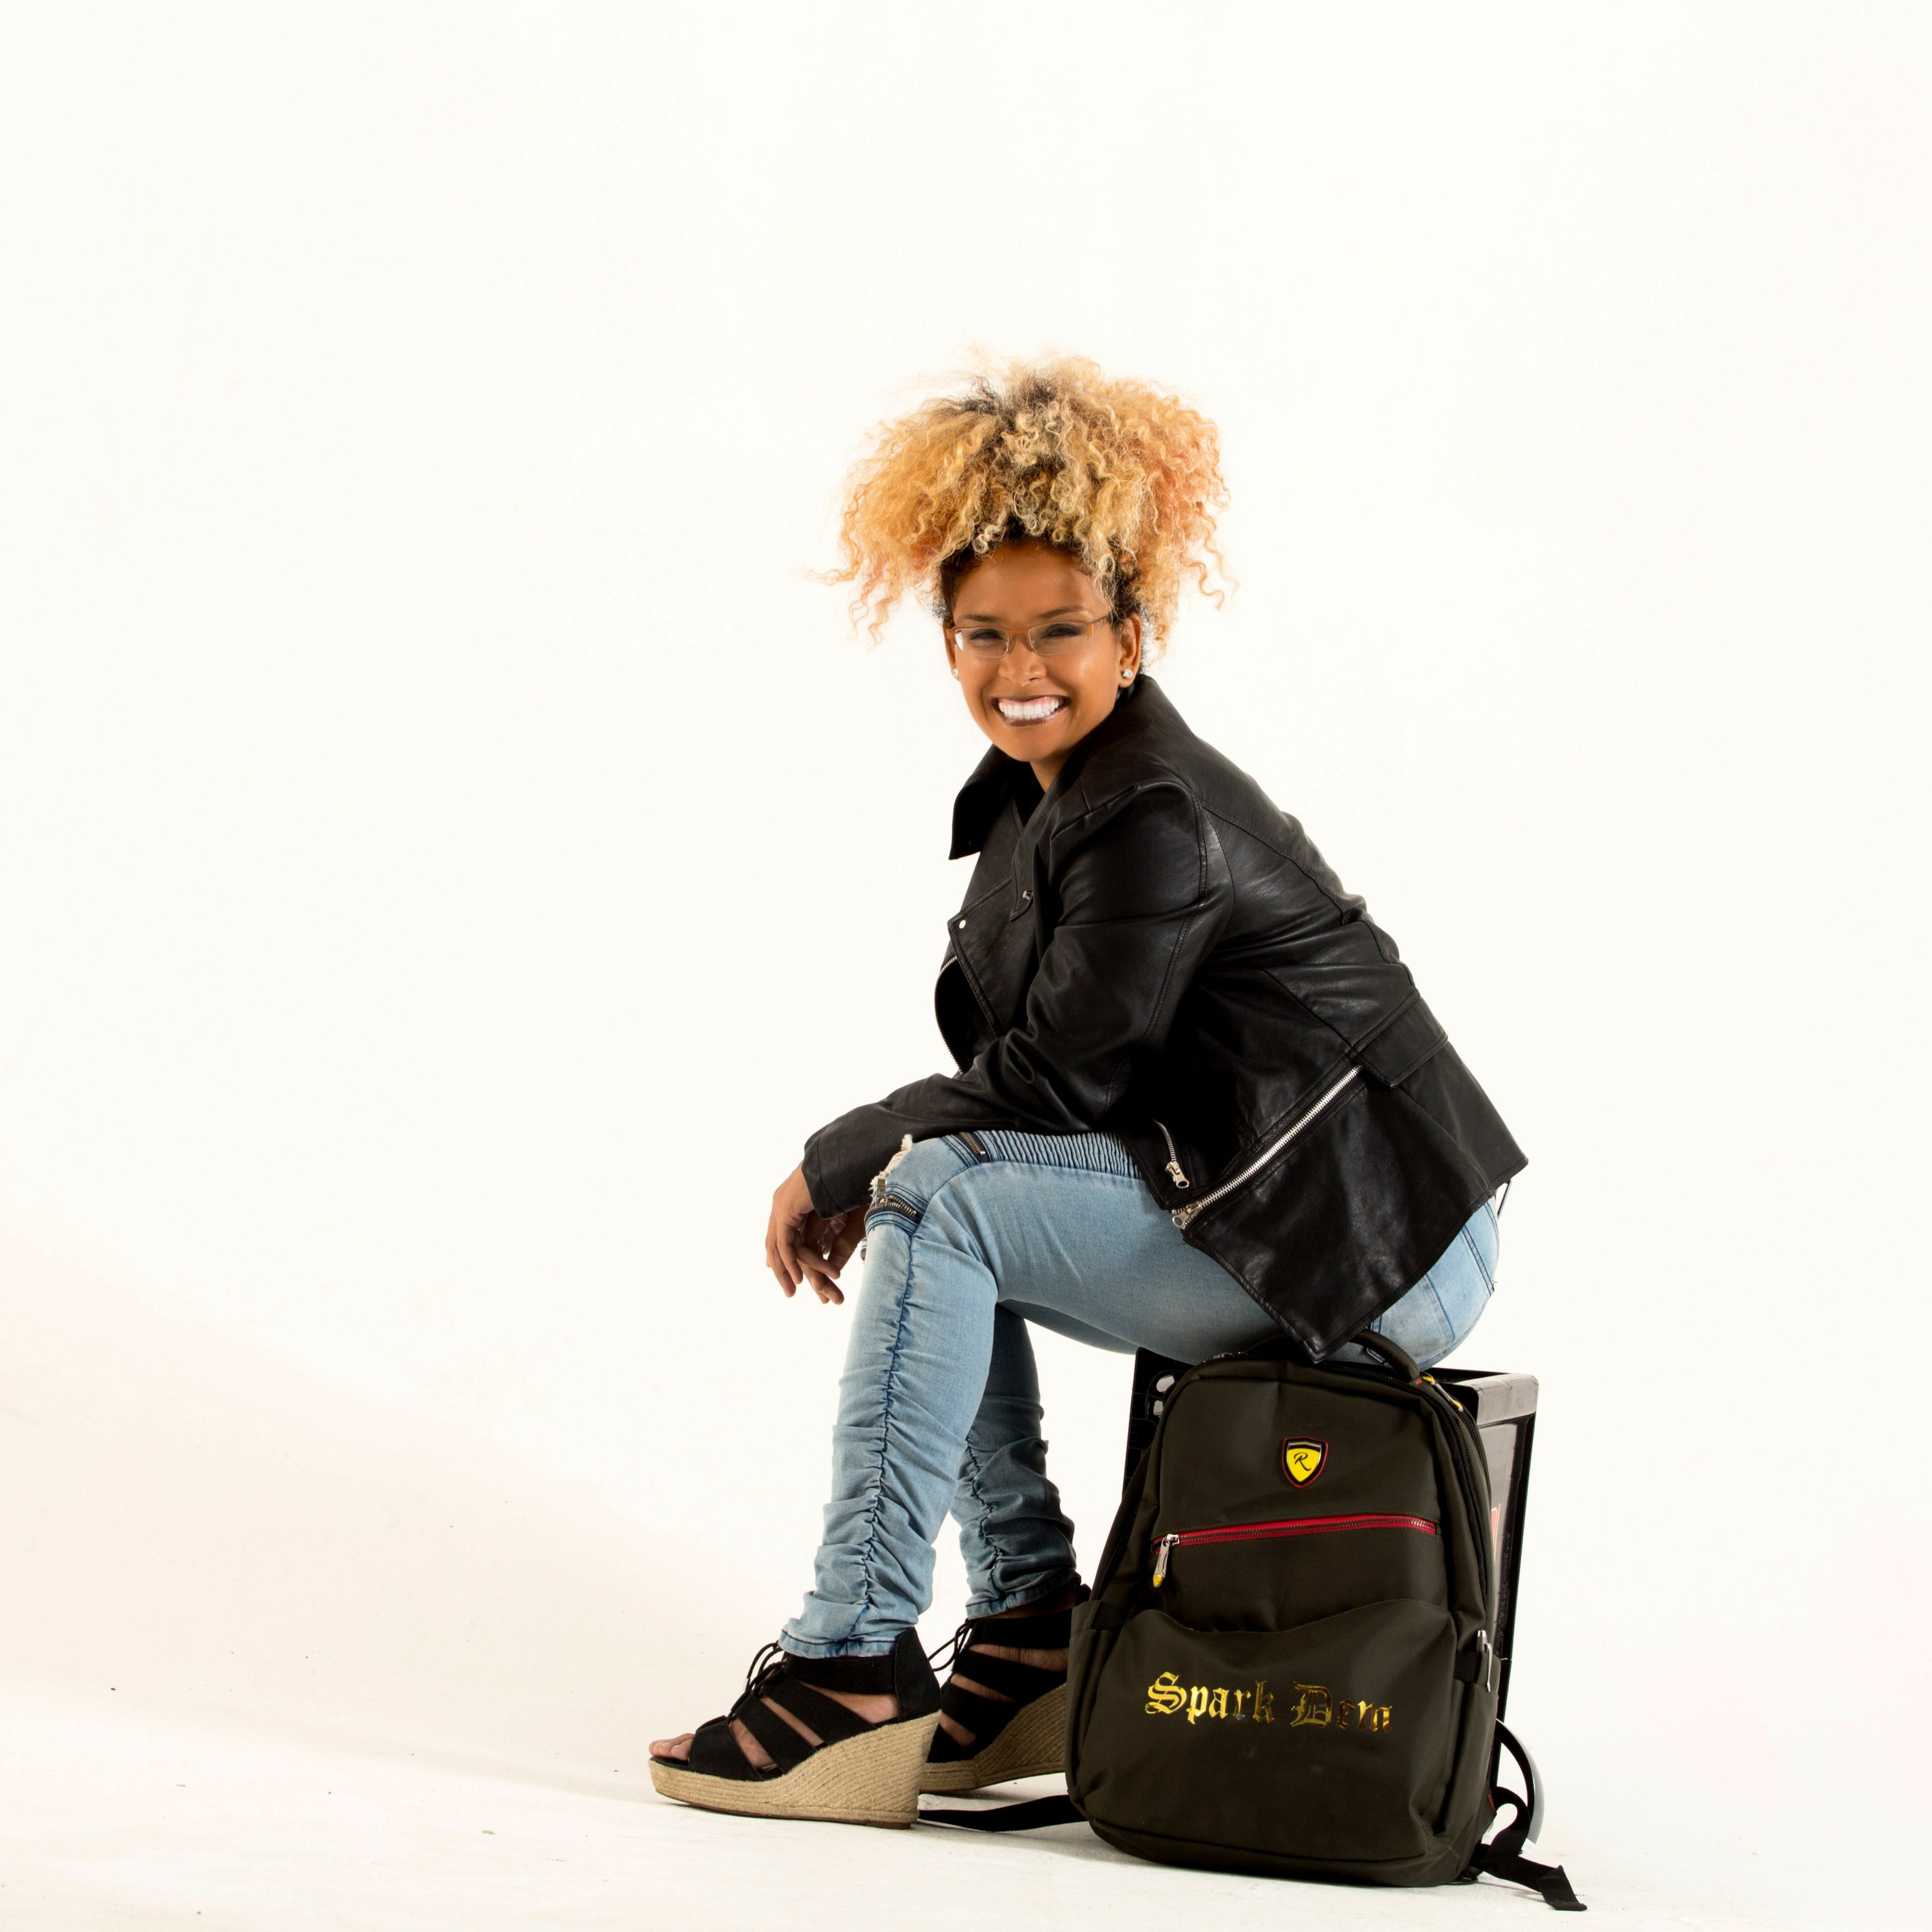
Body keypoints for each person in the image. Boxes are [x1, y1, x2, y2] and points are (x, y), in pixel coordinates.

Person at [649, 358, 1524, 1828]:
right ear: (944, 640)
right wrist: (891, 1160)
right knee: (953, 1198)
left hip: (1383, 1239)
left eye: (1061, 630)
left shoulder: (1152, 807)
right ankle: (1025, 1631)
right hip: (1269, 1197)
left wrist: (842, 1157)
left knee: (943, 1195)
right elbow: (1035, 1087)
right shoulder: (1043, 795)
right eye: (985, 634)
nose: (1022, 668)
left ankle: (854, 1662)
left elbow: (1059, 1076)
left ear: (1132, 632)